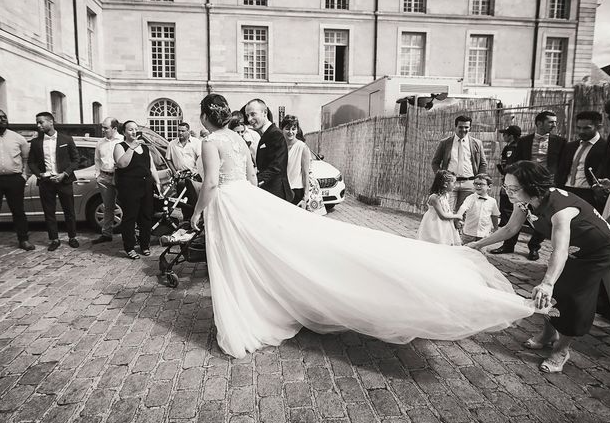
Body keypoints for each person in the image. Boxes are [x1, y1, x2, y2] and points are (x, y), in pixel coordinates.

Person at [189, 93, 549, 359]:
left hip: (228, 201)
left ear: (207, 115)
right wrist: (255, 203)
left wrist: (196, 213)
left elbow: (209, 183)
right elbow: (251, 176)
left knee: (236, 259)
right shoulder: (238, 139)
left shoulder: (210, 140)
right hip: (248, 199)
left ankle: (248, 311)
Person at [468, 161, 610, 373]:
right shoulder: (524, 201)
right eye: (506, 187)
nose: (508, 192)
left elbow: (559, 251)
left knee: (571, 296)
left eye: (513, 188)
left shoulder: (561, 210)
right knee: (551, 291)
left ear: (532, 186)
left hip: (597, 251)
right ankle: (548, 334)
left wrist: (548, 282)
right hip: (572, 248)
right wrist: (478, 244)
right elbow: (510, 228)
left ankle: (562, 349)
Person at [507, 111, 566, 261]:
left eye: (554, 122)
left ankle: (534, 247)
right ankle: (508, 244)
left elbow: (562, 165)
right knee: (517, 212)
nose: (554, 125)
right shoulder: (524, 141)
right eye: (550, 122)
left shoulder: (560, 142)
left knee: (543, 216)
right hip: (524, 183)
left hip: (546, 185)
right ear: (539, 123)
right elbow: (515, 161)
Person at [0, 109, 35, 256]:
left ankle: (23, 240)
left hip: (14, 179)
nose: (3, 120)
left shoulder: (18, 138)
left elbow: (26, 159)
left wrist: (24, 176)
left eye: (4, 117)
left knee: (18, 211)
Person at [28, 112, 80, 251]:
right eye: (37, 122)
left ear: (51, 122)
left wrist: (64, 174)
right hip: (46, 182)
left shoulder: (67, 139)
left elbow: (76, 160)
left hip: (64, 180)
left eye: (41, 122)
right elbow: (31, 162)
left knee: (69, 210)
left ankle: (72, 237)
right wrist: (39, 175)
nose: (38, 125)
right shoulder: (36, 142)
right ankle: (54, 239)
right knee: (49, 212)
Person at [113, 120, 161, 259]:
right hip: (129, 187)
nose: (134, 132)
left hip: (146, 185)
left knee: (146, 216)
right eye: (130, 129)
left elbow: (151, 167)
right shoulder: (120, 146)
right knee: (130, 217)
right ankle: (129, 247)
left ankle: (144, 245)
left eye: (135, 129)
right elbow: (122, 164)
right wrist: (131, 148)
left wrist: (157, 183)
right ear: (123, 132)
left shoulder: (144, 147)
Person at [431, 115, 488, 211]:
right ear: (455, 127)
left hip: (469, 183)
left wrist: (479, 180)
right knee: (447, 210)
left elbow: (483, 163)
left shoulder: (477, 143)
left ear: (470, 128)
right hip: (450, 184)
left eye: (466, 127)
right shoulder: (445, 143)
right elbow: (435, 163)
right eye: (460, 127)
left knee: (463, 214)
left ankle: (459, 226)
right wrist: (442, 177)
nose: (463, 129)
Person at [555, 111, 606, 210]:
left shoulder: (605, 148)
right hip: (566, 190)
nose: (581, 131)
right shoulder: (570, 146)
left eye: (586, 128)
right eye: (579, 128)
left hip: (588, 194)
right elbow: (561, 170)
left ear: (598, 127)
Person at [245, 98, 293, 202]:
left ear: (265, 112)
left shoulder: (276, 134)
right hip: (268, 192)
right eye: (247, 115)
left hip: (277, 194)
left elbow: (276, 167)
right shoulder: (265, 134)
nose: (249, 119)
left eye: (253, 114)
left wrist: (255, 181)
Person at [280, 115, 327, 215]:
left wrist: (305, 198)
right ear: (282, 129)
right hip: (282, 190)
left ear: (297, 130)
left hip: (296, 191)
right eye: (287, 128)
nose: (290, 132)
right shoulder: (279, 146)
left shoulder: (302, 147)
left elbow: (306, 174)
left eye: (293, 129)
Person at [91, 117, 123, 244]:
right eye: (102, 127)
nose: (103, 130)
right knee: (108, 207)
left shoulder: (122, 140)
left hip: (120, 177)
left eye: (106, 128)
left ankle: (130, 235)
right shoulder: (100, 143)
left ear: (114, 128)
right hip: (104, 177)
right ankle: (106, 234)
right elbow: (97, 160)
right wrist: (97, 175)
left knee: (127, 206)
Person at [490, 125, 522, 254]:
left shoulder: (518, 147)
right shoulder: (507, 147)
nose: (503, 136)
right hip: (508, 184)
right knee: (507, 212)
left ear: (511, 135)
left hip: (518, 186)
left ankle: (533, 247)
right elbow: (504, 167)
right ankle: (508, 244)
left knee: (513, 214)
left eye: (506, 134)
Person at [417, 170, 462, 245]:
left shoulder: (446, 195)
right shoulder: (434, 198)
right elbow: (442, 216)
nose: (455, 185)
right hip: (434, 225)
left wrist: (454, 221)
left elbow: (447, 211)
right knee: (434, 242)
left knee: (444, 241)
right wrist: (457, 216)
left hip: (444, 224)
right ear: (445, 184)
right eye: (453, 182)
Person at [456, 173, 500, 244]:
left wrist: (495, 228)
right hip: (468, 233)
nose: (478, 186)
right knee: (465, 251)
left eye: (481, 184)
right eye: (475, 183)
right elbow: (463, 208)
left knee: (480, 252)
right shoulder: (470, 198)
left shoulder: (492, 201)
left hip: (484, 234)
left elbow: (494, 215)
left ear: (489, 186)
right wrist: (458, 217)